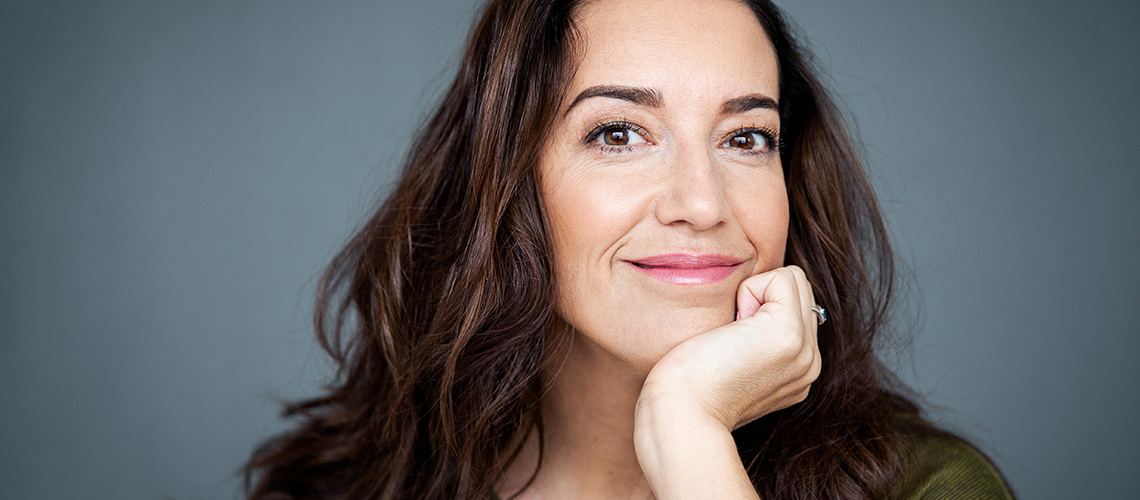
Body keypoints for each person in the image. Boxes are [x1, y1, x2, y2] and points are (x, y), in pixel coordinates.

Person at [245, 0, 1014, 499]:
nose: (704, 204)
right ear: (510, 184)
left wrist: (689, 434)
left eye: (747, 138)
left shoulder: (929, 490)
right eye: (619, 133)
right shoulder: (343, 487)